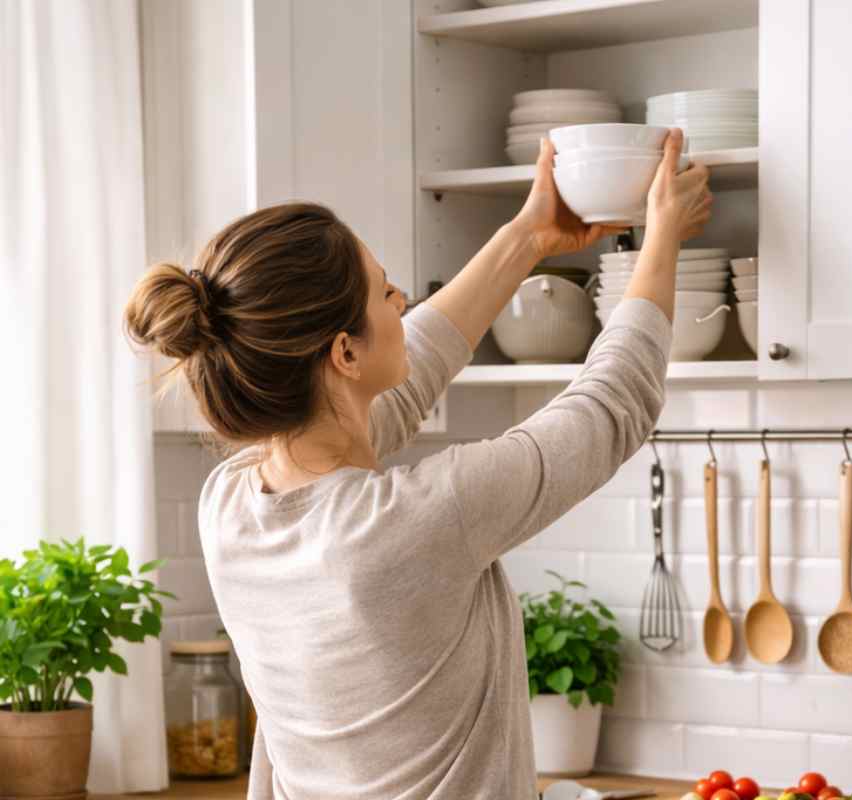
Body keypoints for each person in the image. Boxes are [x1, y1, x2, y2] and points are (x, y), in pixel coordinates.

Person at [123, 130, 711, 799]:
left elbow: (396, 384)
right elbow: (611, 410)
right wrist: (661, 238)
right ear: (344, 353)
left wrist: (531, 236)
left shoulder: (228, 504)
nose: (403, 304)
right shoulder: (419, 519)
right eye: (386, 292)